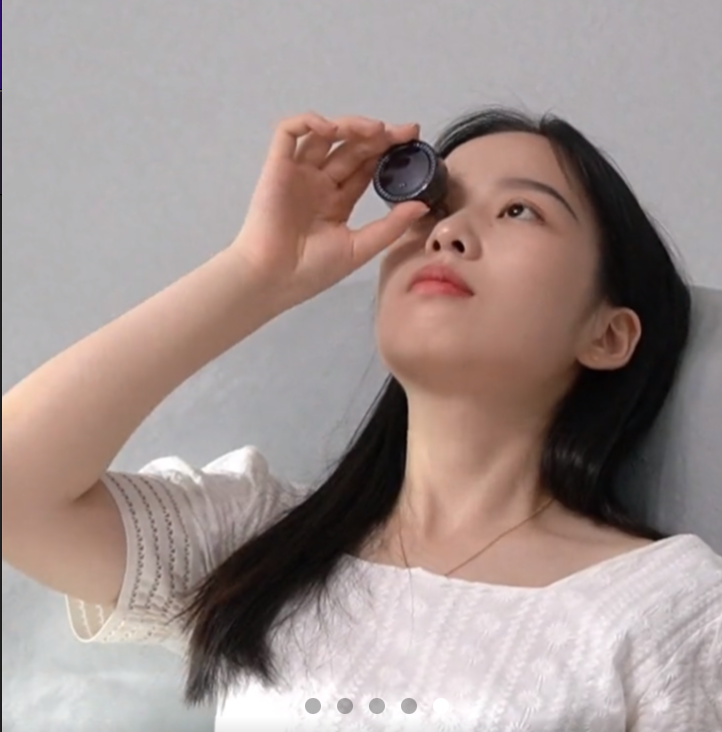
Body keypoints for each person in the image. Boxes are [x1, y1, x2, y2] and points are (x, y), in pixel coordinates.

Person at [3, 107, 720, 731]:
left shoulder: (666, 606)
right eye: (434, 206)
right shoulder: (260, 543)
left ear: (608, 334)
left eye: (518, 212)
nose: (448, 233)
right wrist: (257, 271)